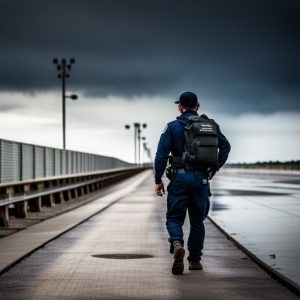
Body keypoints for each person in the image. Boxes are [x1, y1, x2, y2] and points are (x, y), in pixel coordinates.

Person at [154, 91, 231, 275]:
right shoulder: (210, 125)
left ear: (180, 106)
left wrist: (158, 180)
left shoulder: (172, 127)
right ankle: (195, 261)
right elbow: (225, 147)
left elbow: (161, 156)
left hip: (179, 178)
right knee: (197, 220)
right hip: (201, 179)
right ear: (198, 106)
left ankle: (177, 242)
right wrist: (214, 169)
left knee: (174, 218)